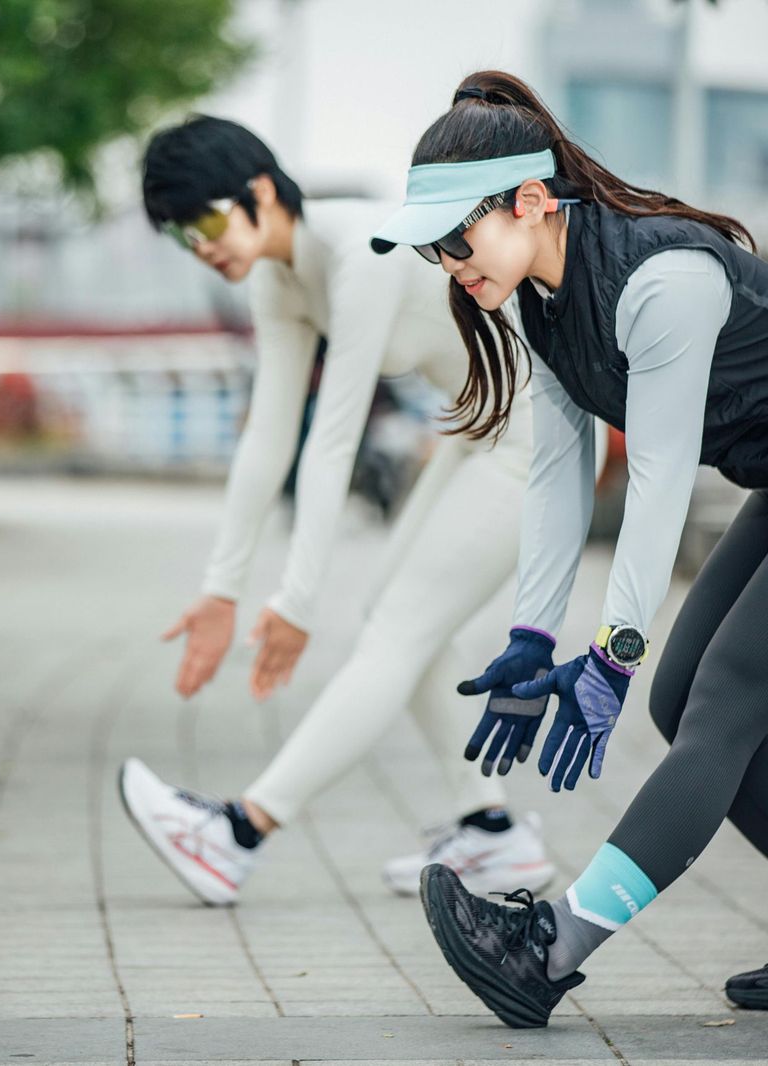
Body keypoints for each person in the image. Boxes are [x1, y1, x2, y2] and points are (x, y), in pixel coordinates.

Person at [369, 72, 768, 1026]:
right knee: (688, 697)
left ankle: (551, 949)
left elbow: (658, 479)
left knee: (716, 705)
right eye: (431, 247)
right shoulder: (539, 303)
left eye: (455, 237)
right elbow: (561, 474)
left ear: (530, 202)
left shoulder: (664, 279)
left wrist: (613, 650)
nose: (447, 263)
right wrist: (532, 635)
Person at [118, 116, 600, 904]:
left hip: (540, 442)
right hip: (482, 432)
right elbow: (269, 434)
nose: (202, 247)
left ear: (260, 192)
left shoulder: (360, 250)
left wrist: (296, 601)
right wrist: (221, 587)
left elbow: (333, 437)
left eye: (205, 221)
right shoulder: (279, 281)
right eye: (181, 238)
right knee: (394, 619)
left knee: (393, 633)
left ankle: (239, 832)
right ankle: (492, 835)